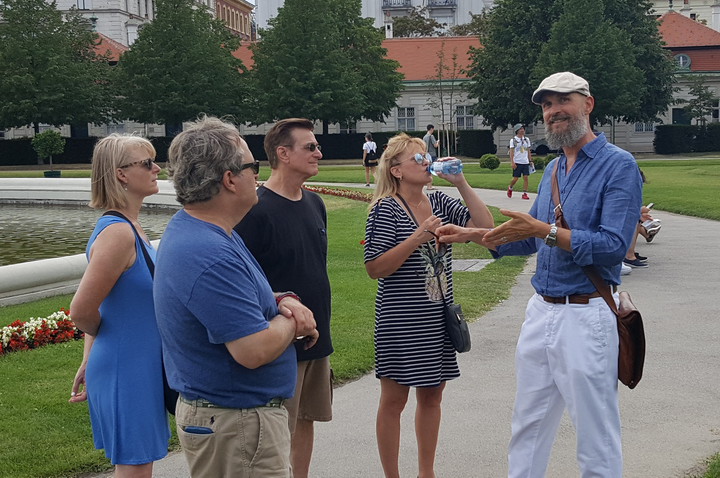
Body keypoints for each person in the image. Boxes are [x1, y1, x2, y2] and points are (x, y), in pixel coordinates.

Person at [438, 71, 642, 477]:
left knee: (595, 433)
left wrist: (546, 231)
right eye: (547, 105)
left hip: (587, 314)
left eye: (562, 100)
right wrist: (471, 235)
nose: (553, 111)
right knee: (527, 425)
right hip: (540, 312)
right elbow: (527, 239)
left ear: (588, 103)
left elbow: (613, 246)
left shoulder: (618, 166)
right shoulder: (552, 170)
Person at [153, 116, 318, 478]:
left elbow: (234, 297)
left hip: (236, 423)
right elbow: (252, 350)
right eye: (252, 166)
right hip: (238, 426)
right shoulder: (207, 251)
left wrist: (279, 301)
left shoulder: (207, 231)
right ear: (229, 178)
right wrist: (293, 322)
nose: (258, 176)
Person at [363, 133, 493, 478]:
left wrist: (461, 182)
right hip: (401, 319)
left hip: (438, 317)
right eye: (417, 159)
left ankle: (426, 472)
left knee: (432, 396)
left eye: (426, 156)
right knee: (394, 401)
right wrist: (417, 238)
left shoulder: (439, 200)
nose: (426, 162)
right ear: (396, 171)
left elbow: (485, 228)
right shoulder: (385, 209)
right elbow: (375, 268)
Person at [235, 118, 333, 478]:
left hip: (317, 335)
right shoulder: (256, 210)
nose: (318, 153)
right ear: (283, 153)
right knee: (278, 426)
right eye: (310, 147)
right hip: (279, 341)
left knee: (306, 419)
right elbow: (242, 279)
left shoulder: (314, 203)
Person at [69, 135, 170, 477]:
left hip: (134, 363)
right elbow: (80, 311)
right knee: (135, 466)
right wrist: (111, 342)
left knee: (138, 464)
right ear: (121, 174)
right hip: (126, 367)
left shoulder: (130, 227)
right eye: (147, 163)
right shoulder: (118, 234)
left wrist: (91, 353)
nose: (157, 168)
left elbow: (109, 305)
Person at [507, 123, 533, 200]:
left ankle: (524, 193)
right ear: (517, 130)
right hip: (517, 161)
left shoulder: (526, 140)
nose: (522, 130)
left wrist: (530, 160)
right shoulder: (513, 140)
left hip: (525, 161)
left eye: (523, 129)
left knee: (525, 177)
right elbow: (511, 152)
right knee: (515, 178)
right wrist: (512, 162)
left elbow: (528, 151)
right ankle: (510, 187)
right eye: (521, 129)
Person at [422, 124, 438, 190]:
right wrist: (437, 142)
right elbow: (435, 145)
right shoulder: (431, 136)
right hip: (432, 154)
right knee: (431, 170)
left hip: (426, 154)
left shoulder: (424, 137)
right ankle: (430, 186)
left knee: (428, 170)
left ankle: (429, 185)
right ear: (431, 129)